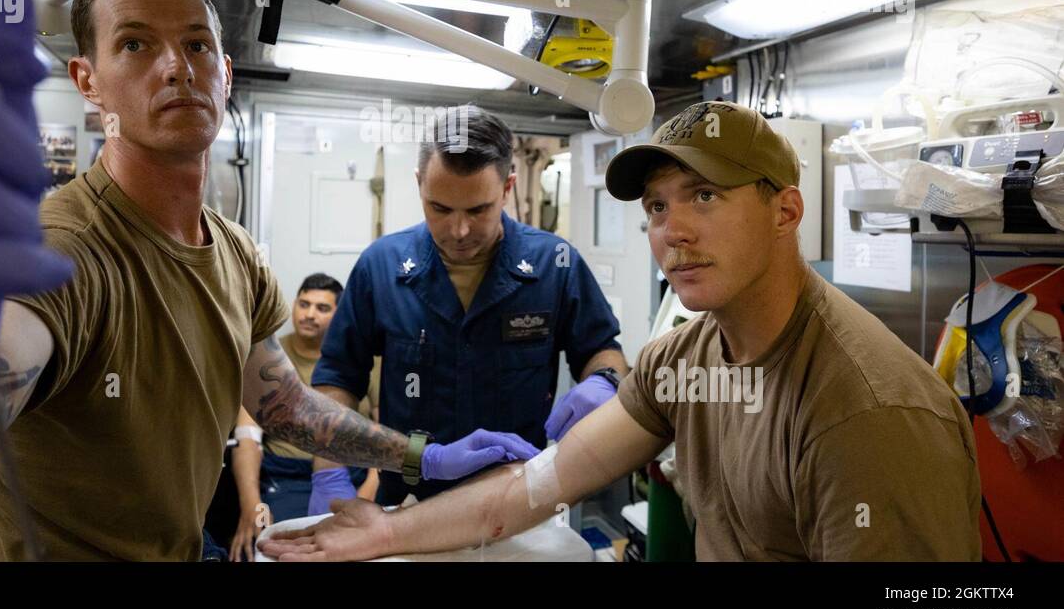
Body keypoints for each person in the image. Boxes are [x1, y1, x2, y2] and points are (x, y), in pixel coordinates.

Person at [0, 0, 536, 560]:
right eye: (136, 44)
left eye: (198, 44)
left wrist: (421, 457)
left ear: (225, 73)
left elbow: (286, 408)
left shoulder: (234, 254)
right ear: (87, 81)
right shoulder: (61, 249)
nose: (177, 66)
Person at [262, 101, 983, 562]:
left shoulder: (870, 412)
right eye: (659, 206)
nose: (674, 231)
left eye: (706, 196)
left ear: (786, 212)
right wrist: (384, 532)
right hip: (420, 501)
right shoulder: (680, 361)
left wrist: (599, 380)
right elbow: (533, 489)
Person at [308, 104, 628, 515]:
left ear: (508, 187)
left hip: (517, 496)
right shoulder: (381, 265)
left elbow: (603, 348)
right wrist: (328, 472)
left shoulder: (555, 264)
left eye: (478, 210)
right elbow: (338, 377)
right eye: (439, 208)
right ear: (419, 183)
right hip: (407, 493)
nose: (459, 231)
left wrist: (605, 381)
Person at [225, 272, 381, 560]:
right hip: (283, 477)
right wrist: (251, 507)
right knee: (274, 548)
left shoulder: (365, 359)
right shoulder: (266, 356)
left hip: (349, 475)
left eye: (322, 308)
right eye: (304, 304)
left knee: (354, 550)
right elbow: (247, 436)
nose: (309, 314)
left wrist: (368, 494)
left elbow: (384, 430)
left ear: (340, 313)